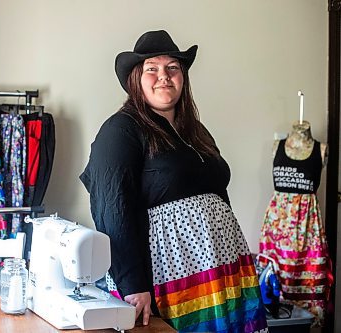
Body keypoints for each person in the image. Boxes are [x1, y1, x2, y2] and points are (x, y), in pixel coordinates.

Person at [80, 30, 268, 332]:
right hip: (168, 276)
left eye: (173, 68)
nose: (163, 76)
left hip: (222, 271)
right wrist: (133, 284)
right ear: (136, 79)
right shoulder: (121, 130)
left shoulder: (196, 131)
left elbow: (218, 195)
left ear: (183, 78)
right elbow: (112, 210)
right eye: (151, 68)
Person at [259, 120, 332, 327]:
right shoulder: (277, 146)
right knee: (273, 281)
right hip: (277, 227)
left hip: (308, 228)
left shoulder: (321, 149)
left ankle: (305, 326)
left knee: (309, 282)